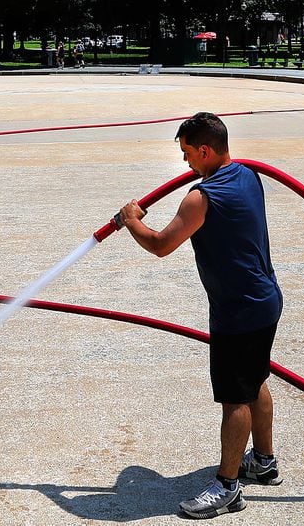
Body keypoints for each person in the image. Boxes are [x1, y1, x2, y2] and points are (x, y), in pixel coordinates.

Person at [117, 112, 283, 519]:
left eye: (188, 153)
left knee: (234, 399)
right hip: (265, 299)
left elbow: (160, 245)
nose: (185, 162)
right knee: (254, 378)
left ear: (205, 149)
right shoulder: (247, 175)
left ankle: (227, 487)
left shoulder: (200, 197)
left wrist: (131, 220)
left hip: (238, 311)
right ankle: (262, 461)